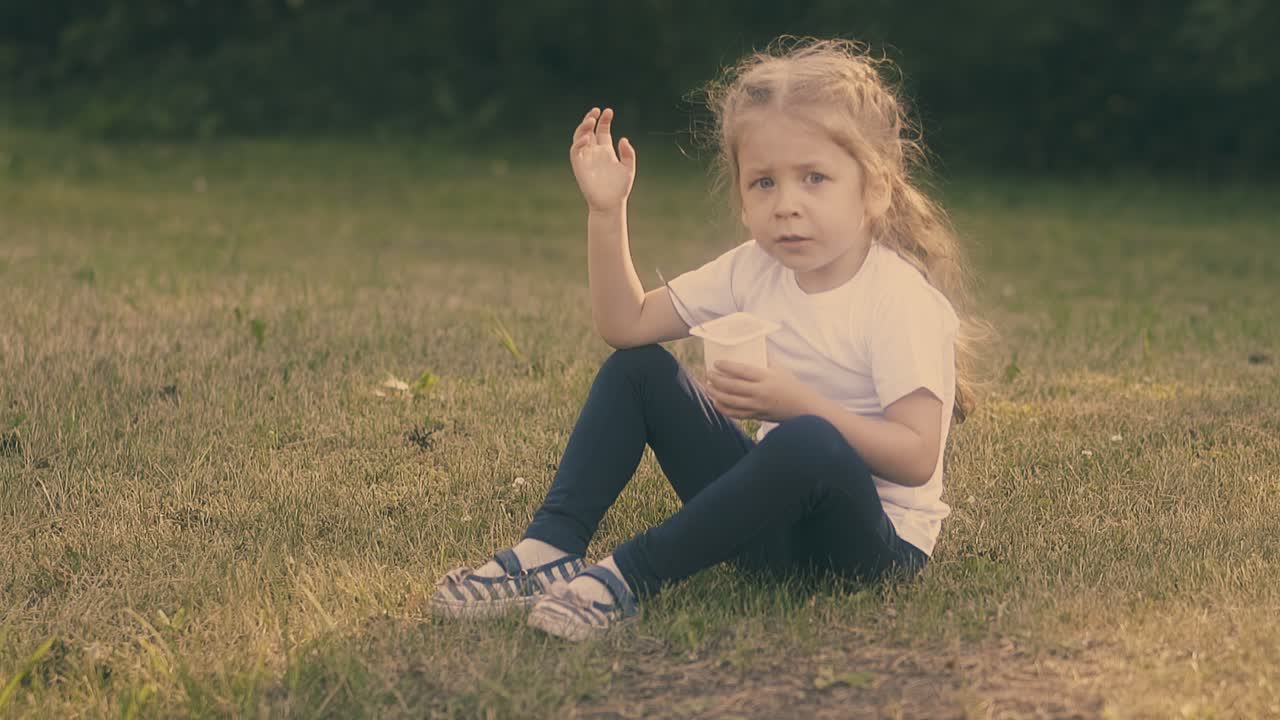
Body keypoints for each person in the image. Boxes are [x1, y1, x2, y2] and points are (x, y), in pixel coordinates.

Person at [430, 36, 985, 642]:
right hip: (763, 526)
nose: (787, 205)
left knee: (810, 440)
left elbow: (915, 457)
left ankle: (626, 577)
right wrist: (606, 212)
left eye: (815, 178)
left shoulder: (898, 299)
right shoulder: (754, 269)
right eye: (764, 183)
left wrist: (795, 404)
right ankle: (550, 548)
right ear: (740, 195)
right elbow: (626, 324)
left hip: (869, 551)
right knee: (639, 369)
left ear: (874, 188)